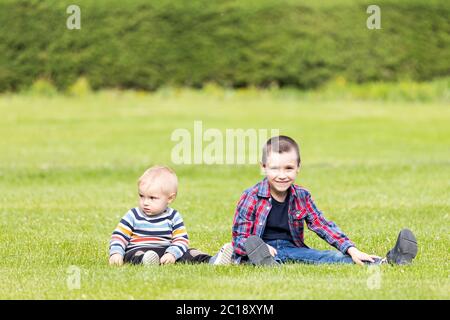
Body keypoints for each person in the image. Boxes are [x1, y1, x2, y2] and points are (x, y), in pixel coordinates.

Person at [231, 136, 418, 266]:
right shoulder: (251, 197)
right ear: (263, 168)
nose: (282, 175)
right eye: (274, 168)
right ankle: (264, 262)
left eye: (288, 168)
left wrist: (351, 249)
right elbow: (240, 238)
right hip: (257, 250)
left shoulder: (301, 196)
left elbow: (322, 225)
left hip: (290, 249)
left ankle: (388, 261)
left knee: (325, 257)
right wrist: (258, 248)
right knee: (260, 257)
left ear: (298, 168)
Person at [109, 165, 233, 266]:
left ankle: (213, 260)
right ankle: (146, 261)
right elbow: (119, 236)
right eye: (142, 196)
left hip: (165, 251)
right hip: (140, 249)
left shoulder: (173, 216)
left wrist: (172, 254)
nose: (145, 202)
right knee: (134, 255)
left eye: (152, 198)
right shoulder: (133, 215)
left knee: (191, 252)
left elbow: (181, 239)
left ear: (170, 198)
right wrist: (116, 253)